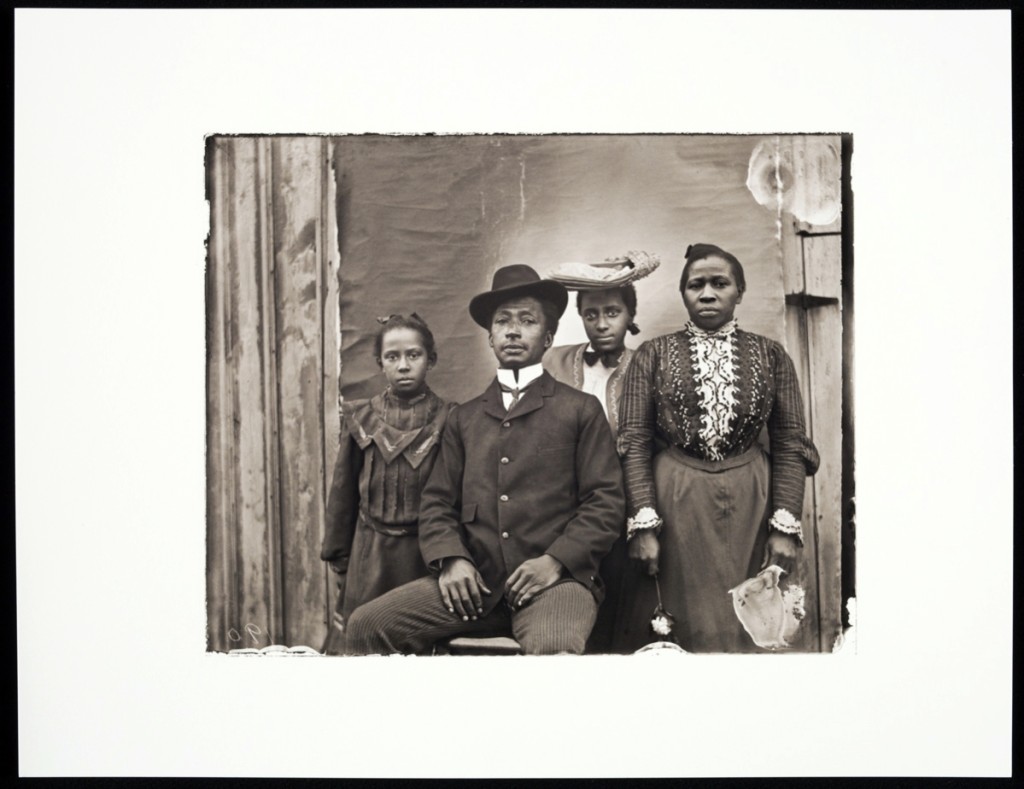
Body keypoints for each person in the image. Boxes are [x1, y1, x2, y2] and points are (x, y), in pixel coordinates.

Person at [344, 265, 625, 655]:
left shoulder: (580, 410)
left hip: (557, 583)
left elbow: (606, 503)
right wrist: (451, 561)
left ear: (548, 337)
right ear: (490, 337)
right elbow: (437, 502)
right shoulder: (465, 418)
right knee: (368, 625)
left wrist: (556, 561)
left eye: (527, 321)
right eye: (502, 322)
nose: (513, 330)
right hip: (477, 586)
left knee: (554, 649)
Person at [615, 243, 820, 653]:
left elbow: (791, 441)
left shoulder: (771, 355)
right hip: (675, 501)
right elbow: (634, 441)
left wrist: (784, 525)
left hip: (753, 500)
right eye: (696, 285)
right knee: (676, 624)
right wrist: (643, 523)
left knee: (757, 619)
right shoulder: (652, 356)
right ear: (684, 294)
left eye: (719, 284)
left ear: (739, 292)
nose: (706, 293)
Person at [319, 313, 454, 655]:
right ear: (380, 363)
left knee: (416, 648)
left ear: (431, 359)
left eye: (414, 355)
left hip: (424, 559)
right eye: (393, 357)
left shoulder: (450, 419)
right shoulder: (361, 419)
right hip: (370, 554)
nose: (404, 365)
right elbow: (343, 495)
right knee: (361, 646)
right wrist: (341, 559)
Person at [544, 251, 658, 653]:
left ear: (631, 315)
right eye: (591, 314)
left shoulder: (648, 366)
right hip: (562, 512)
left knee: (624, 612)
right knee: (567, 615)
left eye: (612, 312)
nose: (602, 323)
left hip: (625, 506)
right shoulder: (554, 361)